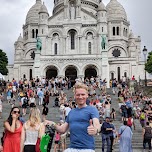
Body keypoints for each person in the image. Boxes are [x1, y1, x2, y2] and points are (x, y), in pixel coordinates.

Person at [45, 82, 100, 152]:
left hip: (87, 148)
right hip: (72, 148)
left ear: (87, 95)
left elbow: (97, 124)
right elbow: (62, 129)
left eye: (83, 94)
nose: (80, 97)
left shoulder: (92, 109)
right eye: (78, 95)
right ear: (74, 96)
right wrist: (52, 123)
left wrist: (95, 130)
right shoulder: (72, 112)